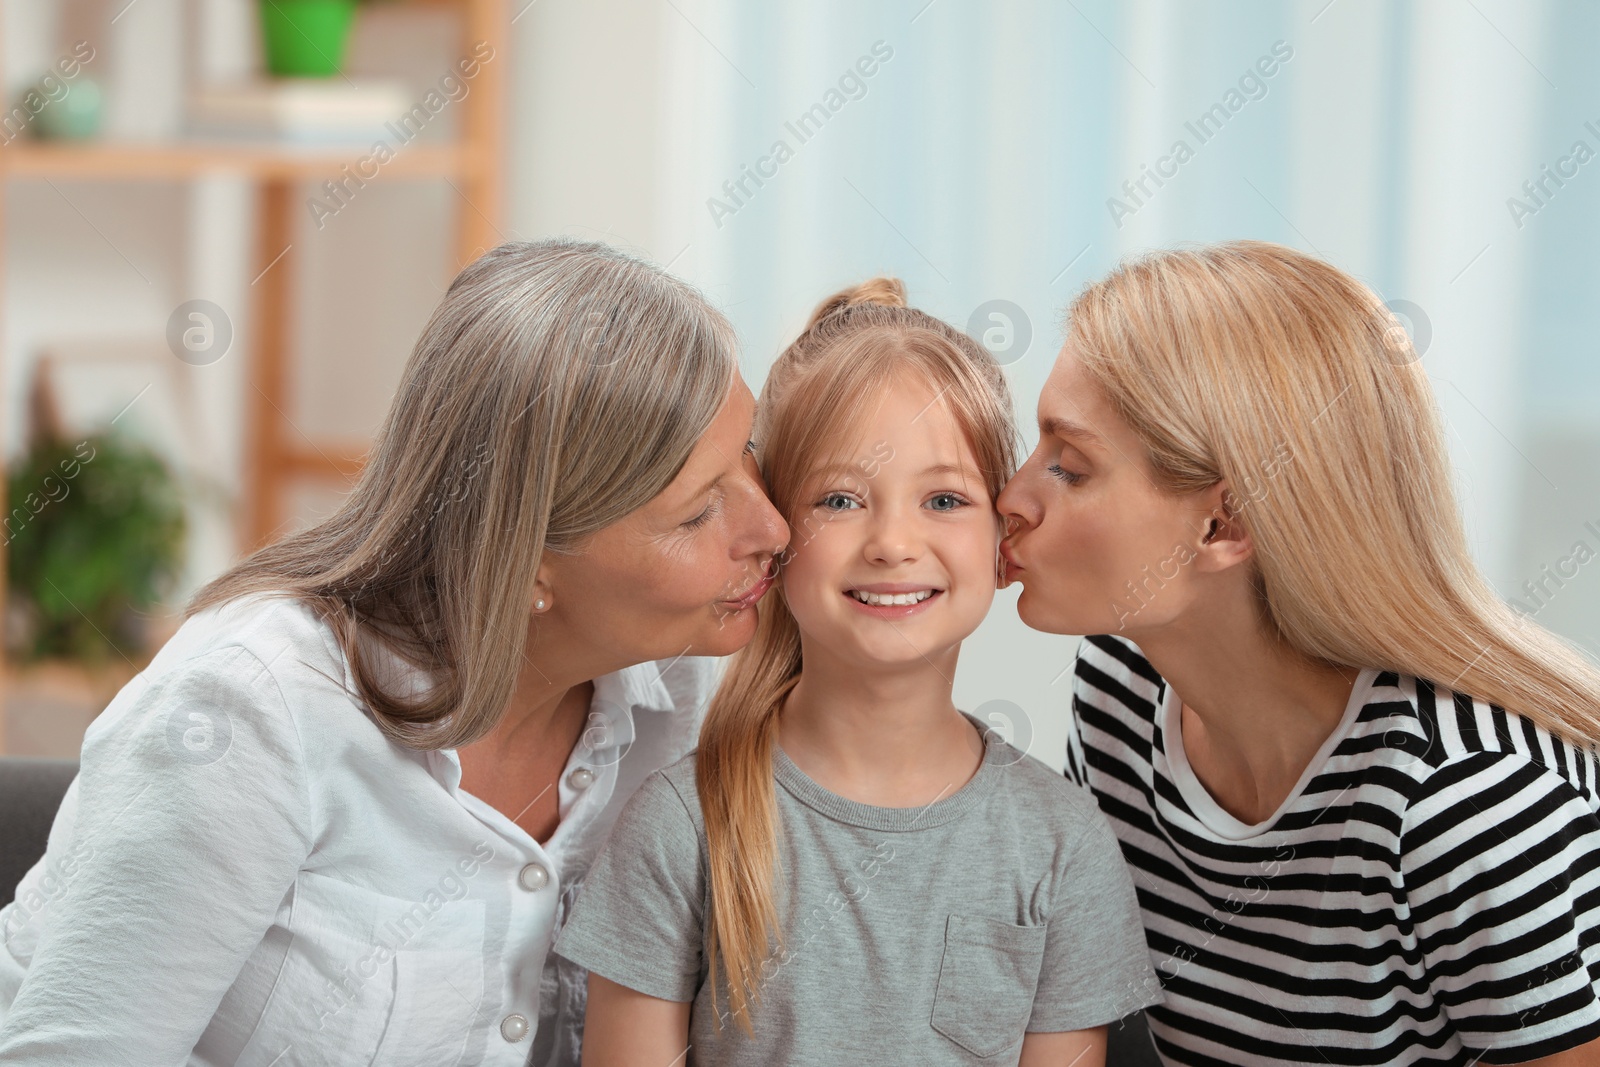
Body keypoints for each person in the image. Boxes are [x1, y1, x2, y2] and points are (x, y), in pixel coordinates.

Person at [0, 238, 788, 1067]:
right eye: (700, 511)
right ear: (527, 563)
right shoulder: (254, 705)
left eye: (747, 454)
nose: (770, 527)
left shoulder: (673, 675)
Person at [997, 240, 1600, 1065]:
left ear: (1225, 524)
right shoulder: (1122, 685)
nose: (1011, 497)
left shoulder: (1462, 802)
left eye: (1068, 465)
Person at [555, 278, 1160, 1066]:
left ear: (1001, 539)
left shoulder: (1063, 843)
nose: (892, 542)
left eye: (944, 499)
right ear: (775, 533)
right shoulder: (681, 825)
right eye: (840, 500)